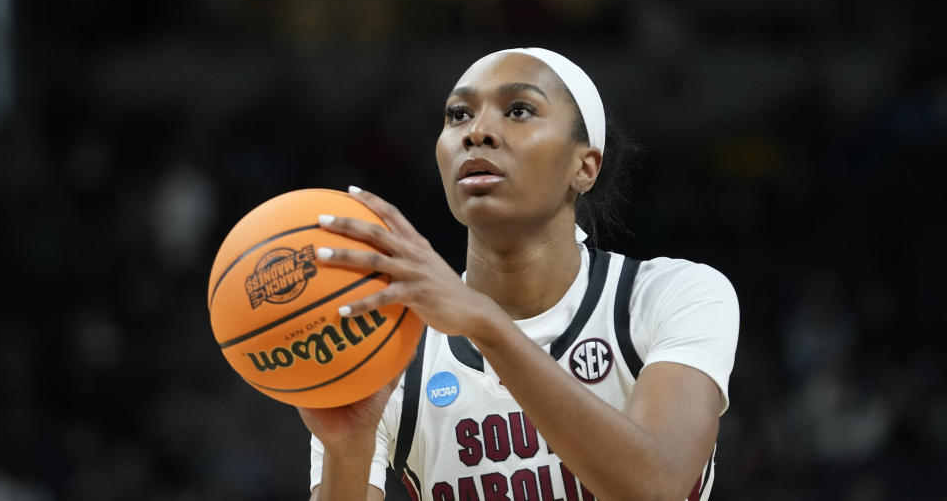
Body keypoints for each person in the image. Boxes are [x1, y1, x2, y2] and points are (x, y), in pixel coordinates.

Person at [299, 48, 739, 501]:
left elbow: (659, 487)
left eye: (519, 110)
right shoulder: (390, 349)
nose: (478, 131)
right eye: (458, 114)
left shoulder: (670, 295)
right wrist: (348, 450)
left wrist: (487, 324)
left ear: (584, 166)